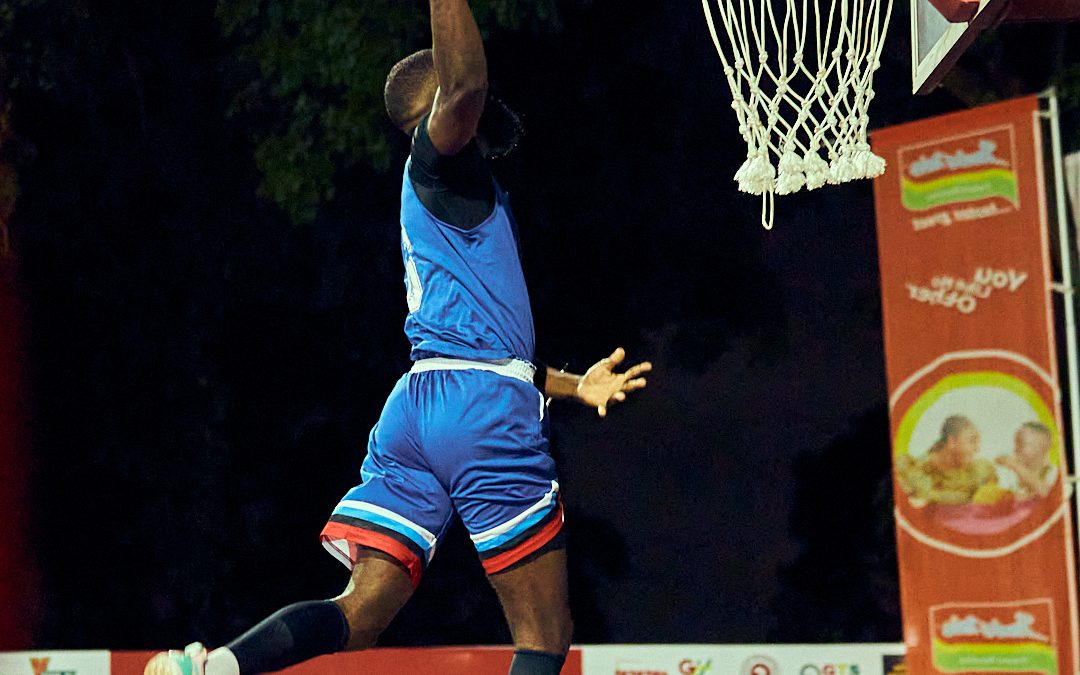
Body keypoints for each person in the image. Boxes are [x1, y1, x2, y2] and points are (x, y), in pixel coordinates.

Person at [144, 2, 651, 674]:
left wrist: (570, 384)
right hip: (479, 412)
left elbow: (486, 349)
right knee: (545, 632)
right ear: (436, 105)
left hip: (416, 407)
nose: (481, 104)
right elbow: (467, 84)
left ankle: (212, 667)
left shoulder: (438, 195)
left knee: (358, 613)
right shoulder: (441, 163)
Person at [897, 415, 995, 506]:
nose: (978, 449)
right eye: (972, 441)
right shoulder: (909, 470)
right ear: (952, 442)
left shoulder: (980, 468)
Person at [995, 422, 1058, 500]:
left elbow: (1047, 492)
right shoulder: (1011, 477)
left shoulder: (1053, 474)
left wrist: (1016, 466)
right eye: (1016, 444)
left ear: (1043, 447)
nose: (1015, 450)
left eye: (1021, 444)